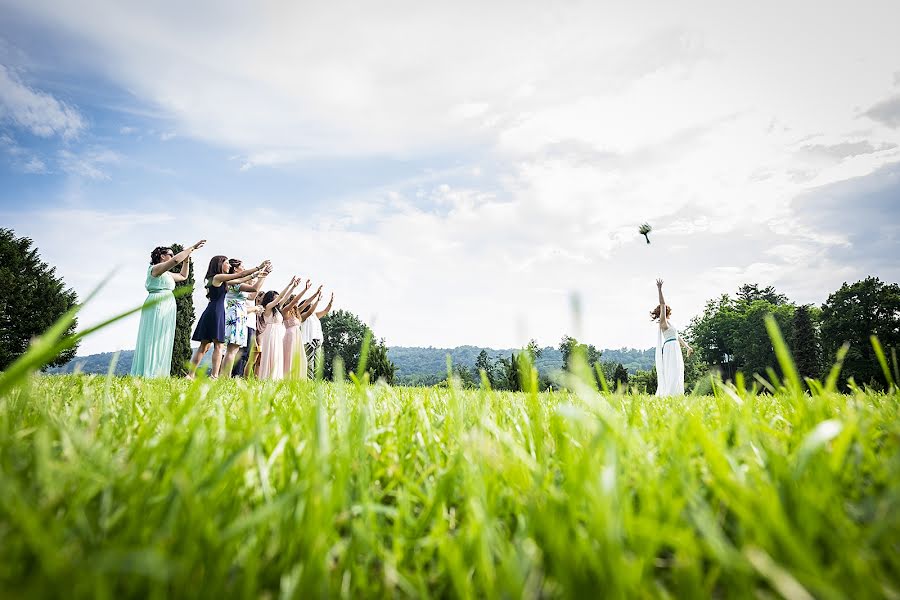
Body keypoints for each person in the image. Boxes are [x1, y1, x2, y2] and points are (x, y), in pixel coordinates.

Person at [131, 240, 206, 377]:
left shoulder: (167, 274)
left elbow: (183, 276)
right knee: (154, 336)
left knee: (163, 338)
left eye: (172, 254)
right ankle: (149, 372)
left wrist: (187, 260)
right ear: (162, 256)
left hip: (167, 305)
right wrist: (191, 248)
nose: (172, 256)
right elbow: (176, 260)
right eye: (170, 254)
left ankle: (159, 373)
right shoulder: (155, 269)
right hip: (157, 305)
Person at [188, 256, 268, 378]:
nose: (229, 265)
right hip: (217, 312)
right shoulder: (218, 277)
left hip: (216, 311)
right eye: (226, 263)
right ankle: (214, 376)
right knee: (216, 346)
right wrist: (259, 268)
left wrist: (259, 275)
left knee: (207, 346)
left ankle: (193, 375)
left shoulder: (222, 281)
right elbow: (240, 277)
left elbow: (241, 279)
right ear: (219, 264)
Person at [222, 258, 271, 377]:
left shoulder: (238, 283)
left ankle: (226, 376)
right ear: (235, 269)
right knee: (231, 349)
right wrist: (260, 273)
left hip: (240, 316)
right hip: (234, 315)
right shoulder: (233, 282)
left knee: (234, 349)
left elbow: (252, 295)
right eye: (242, 266)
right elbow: (253, 288)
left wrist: (263, 276)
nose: (244, 268)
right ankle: (225, 376)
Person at [652, 279, 693, 396]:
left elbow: (677, 337)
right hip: (670, 348)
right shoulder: (663, 323)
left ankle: (677, 394)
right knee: (672, 371)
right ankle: (669, 394)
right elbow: (663, 304)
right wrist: (659, 289)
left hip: (675, 347)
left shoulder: (671, 325)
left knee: (678, 369)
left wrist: (687, 347)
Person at [257, 276, 301, 380]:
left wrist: (293, 287)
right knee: (271, 354)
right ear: (270, 298)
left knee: (277, 355)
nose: (278, 299)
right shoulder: (267, 307)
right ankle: (267, 377)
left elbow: (285, 298)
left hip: (278, 333)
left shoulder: (277, 309)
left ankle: (276, 377)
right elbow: (281, 297)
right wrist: (289, 284)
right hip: (270, 333)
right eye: (275, 297)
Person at [302, 289, 333, 379]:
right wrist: (318, 300)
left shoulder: (315, 315)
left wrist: (330, 302)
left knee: (317, 362)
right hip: (308, 341)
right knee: (309, 363)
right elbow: (310, 311)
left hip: (318, 341)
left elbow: (325, 311)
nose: (312, 306)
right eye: (310, 305)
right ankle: (309, 380)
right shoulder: (303, 315)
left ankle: (316, 380)